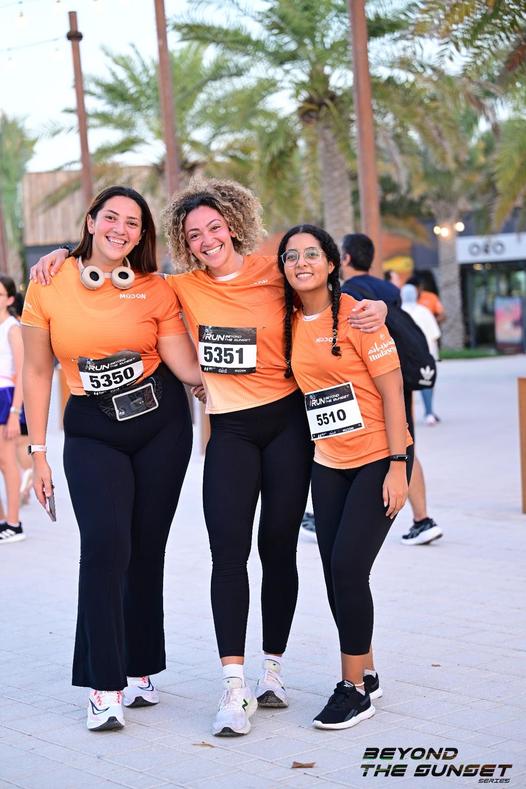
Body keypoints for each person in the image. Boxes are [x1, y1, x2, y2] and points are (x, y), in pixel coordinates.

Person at [33, 176, 387, 738]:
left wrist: (377, 307)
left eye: (215, 227)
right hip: (228, 431)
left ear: (234, 225)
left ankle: (273, 670)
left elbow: (324, 293)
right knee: (223, 554)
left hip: (288, 426)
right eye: (194, 234)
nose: (207, 240)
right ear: (183, 240)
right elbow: (111, 276)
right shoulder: (180, 287)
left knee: (278, 549)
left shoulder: (275, 273)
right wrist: (61, 254)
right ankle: (231, 685)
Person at [22, 185, 201, 731]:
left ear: (142, 235)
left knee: (146, 549)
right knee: (105, 547)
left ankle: (140, 666)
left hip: (161, 425)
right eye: (112, 217)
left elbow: (184, 364)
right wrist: (38, 452)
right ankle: (104, 684)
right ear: (91, 221)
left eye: (133, 222)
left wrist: (231, 381)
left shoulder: (155, 288)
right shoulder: (48, 283)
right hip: (92, 429)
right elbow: (37, 371)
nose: (121, 229)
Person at [278, 224, 412, 730]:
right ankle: (367, 670)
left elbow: (394, 393)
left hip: (378, 456)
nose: (301, 262)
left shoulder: (360, 315)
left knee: (350, 568)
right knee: (336, 573)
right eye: (291, 256)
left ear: (332, 263)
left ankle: (352, 690)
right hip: (329, 462)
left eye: (312, 254)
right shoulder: (288, 320)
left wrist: (398, 465)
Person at [340, 234, 443, 547]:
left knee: (348, 444)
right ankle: (423, 519)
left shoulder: (348, 293)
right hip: (400, 375)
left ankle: (328, 516)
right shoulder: (388, 289)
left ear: (346, 258)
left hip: (371, 383)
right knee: (406, 442)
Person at [0, 275, 24, 544]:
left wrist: (15, 413)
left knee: (7, 462)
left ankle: (14, 524)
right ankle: (3, 520)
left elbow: (22, 373)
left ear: (8, 299)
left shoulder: (12, 328)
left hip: (5, 397)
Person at [401, 284, 441, 425]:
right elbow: (435, 335)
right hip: (425, 354)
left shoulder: (399, 311)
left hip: (405, 357)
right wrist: (435, 356)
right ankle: (429, 413)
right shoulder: (424, 311)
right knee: (426, 383)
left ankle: (405, 417)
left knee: (404, 387)